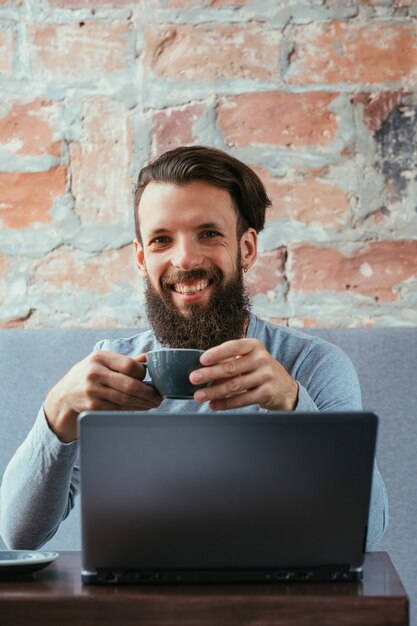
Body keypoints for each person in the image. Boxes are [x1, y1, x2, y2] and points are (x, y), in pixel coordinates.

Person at [0, 145, 388, 551]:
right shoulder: (113, 371)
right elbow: (20, 535)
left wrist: (293, 404)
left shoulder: (310, 365)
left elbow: (367, 533)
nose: (184, 259)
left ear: (247, 249)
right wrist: (58, 408)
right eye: (161, 240)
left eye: (208, 234)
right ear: (140, 259)